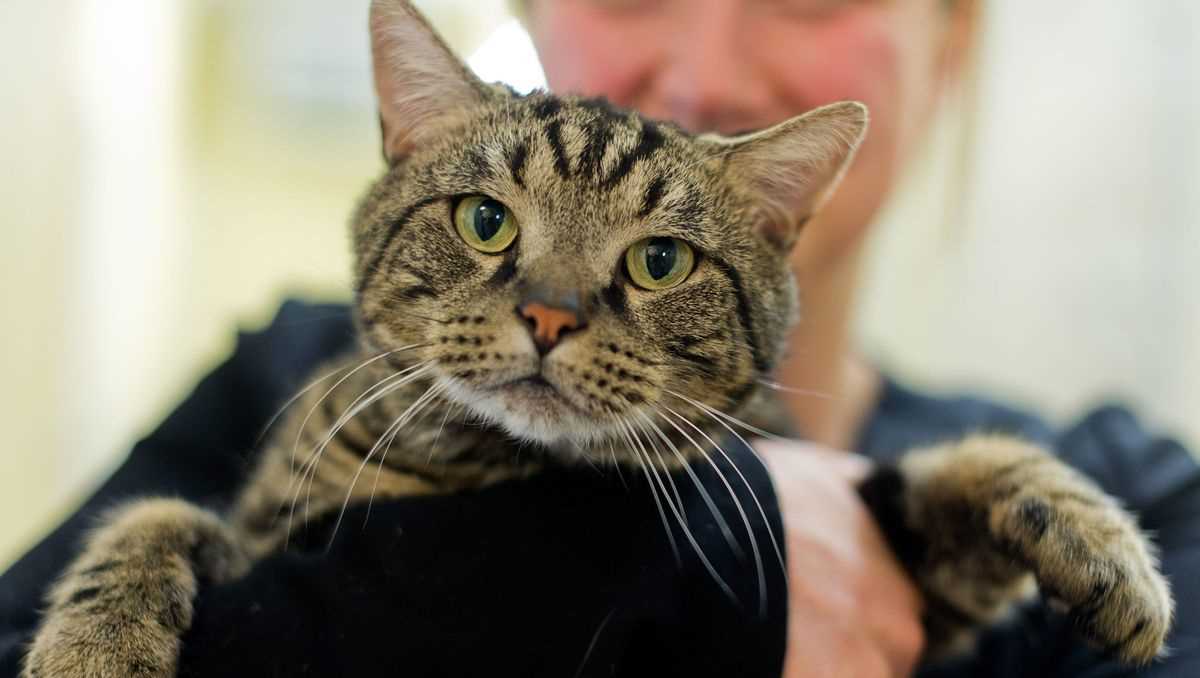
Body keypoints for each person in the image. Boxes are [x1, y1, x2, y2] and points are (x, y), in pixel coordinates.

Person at [1, 1, 1197, 677]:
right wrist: (661, 586)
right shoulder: (281, 376)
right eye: (486, 222)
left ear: (956, 41)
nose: (550, 313)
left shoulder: (1139, 486)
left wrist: (935, 512)